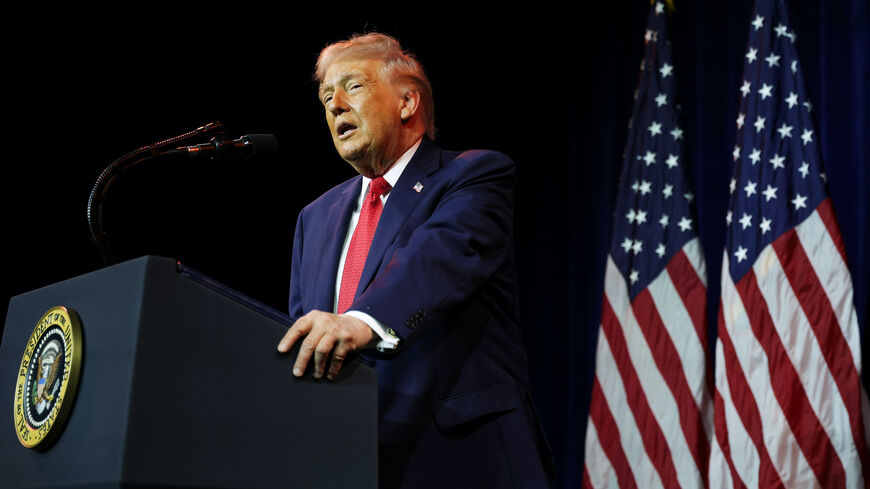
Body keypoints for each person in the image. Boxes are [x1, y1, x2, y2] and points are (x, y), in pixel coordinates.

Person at [277, 32, 555, 489]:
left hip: (461, 458)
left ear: (407, 102)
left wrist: (360, 320)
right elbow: (305, 334)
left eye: (354, 87)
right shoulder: (315, 217)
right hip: (347, 463)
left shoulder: (472, 175)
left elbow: (438, 259)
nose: (335, 105)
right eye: (326, 96)